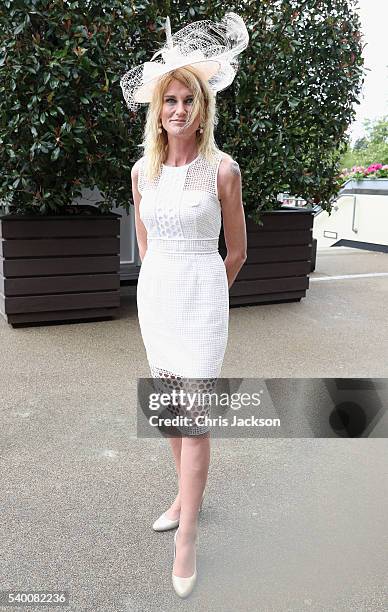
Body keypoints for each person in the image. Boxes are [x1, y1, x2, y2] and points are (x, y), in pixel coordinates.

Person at [121, 12, 249, 598]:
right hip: (159, 301)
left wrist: (208, 294)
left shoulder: (223, 170)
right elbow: (145, 247)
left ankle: (187, 538)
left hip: (201, 303)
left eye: (187, 100)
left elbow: (238, 252)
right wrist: (158, 285)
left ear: (203, 108)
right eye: (169, 100)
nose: (178, 110)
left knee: (194, 423)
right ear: (158, 109)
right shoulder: (141, 172)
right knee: (170, 411)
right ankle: (180, 495)